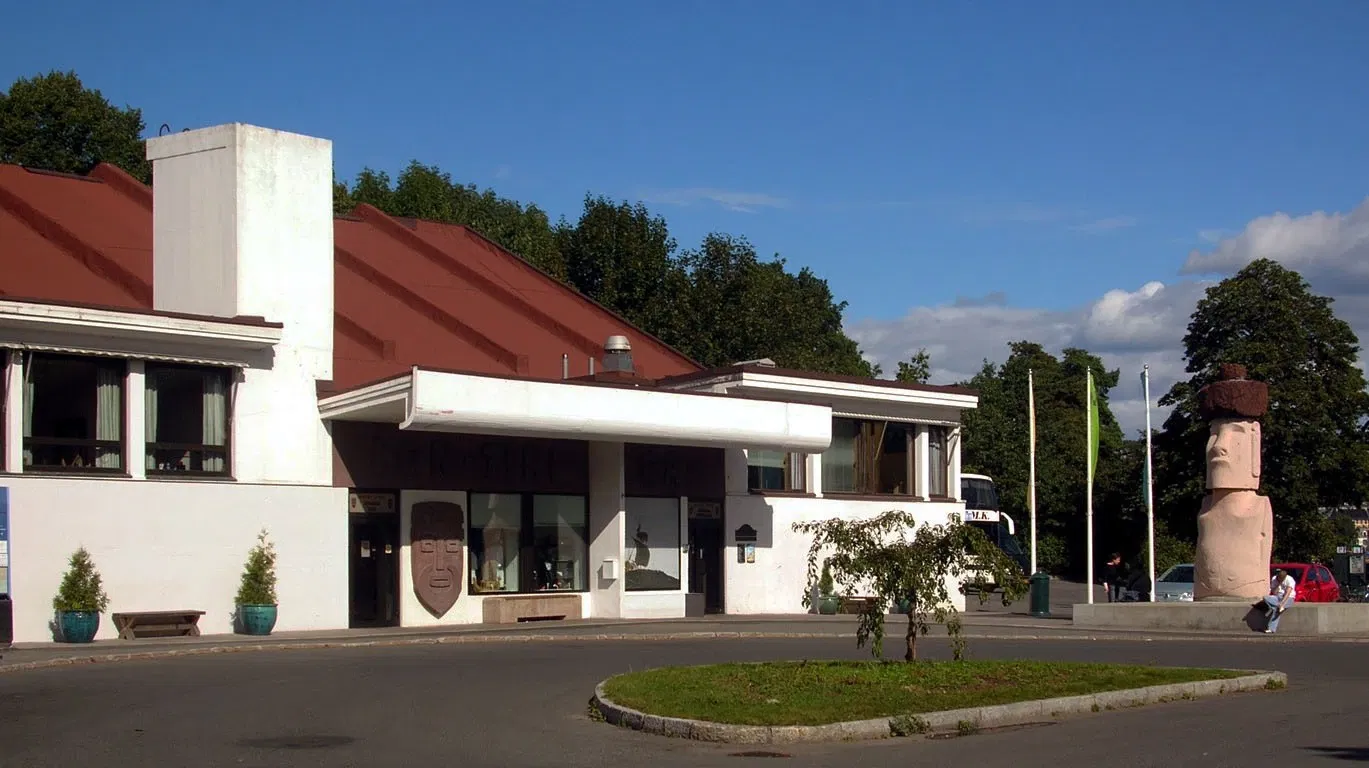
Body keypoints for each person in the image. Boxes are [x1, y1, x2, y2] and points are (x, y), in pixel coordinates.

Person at [1263, 568, 1296, 634]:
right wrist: (1278, 584)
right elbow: (1274, 592)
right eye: (1279, 579)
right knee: (1265, 598)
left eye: (1282, 579)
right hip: (1277, 596)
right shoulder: (1274, 579)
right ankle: (1273, 607)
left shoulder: (1290, 579)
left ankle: (1271, 629)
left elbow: (1288, 593)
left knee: (1276, 610)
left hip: (1289, 598)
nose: (1280, 580)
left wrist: (1282, 603)